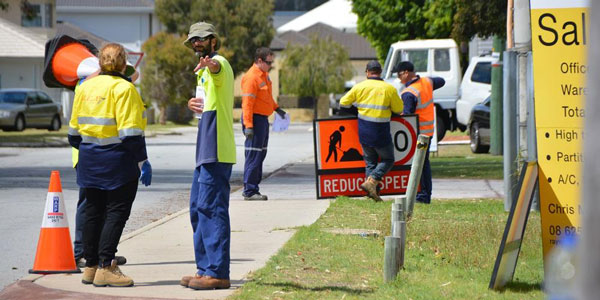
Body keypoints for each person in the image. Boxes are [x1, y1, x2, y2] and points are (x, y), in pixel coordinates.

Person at [68, 43, 151, 287]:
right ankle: (106, 266)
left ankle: (91, 266)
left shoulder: (84, 87)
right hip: (118, 162)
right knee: (116, 212)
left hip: (89, 160)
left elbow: (73, 134)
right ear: (125, 63)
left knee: (93, 212)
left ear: (100, 62)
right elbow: (131, 134)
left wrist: (91, 149)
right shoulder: (125, 89)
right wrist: (143, 162)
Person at [180, 21, 236, 290]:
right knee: (197, 209)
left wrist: (211, 65)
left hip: (217, 150)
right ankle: (204, 269)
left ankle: (218, 272)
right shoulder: (200, 73)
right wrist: (193, 105)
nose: (196, 43)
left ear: (214, 40)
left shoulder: (219, 63)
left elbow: (217, 69)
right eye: (193, 40)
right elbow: (207, 105)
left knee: (212, 209)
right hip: (205, 151)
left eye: (201, 39)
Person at [339, 60, 403, 202]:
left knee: (370, 163)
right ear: (380, 72)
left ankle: (371, 194)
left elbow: (343, 102)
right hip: (380, 132)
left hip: (364, 131)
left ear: (367, 72)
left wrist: (357, 112)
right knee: (388, 159)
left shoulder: (359, 87)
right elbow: (399, 110)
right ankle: (372, 181)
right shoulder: (389, 89)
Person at [393, 61, 445, 204]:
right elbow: (441, 81)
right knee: (424, 164)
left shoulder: (409, 93)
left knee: (419, 165)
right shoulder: (427, 82)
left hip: (418, 134)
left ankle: (423, 195)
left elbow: (407, 117)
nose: (399, 79)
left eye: (399, 75)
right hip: (428, 133)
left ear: (405, 73)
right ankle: (425, 194)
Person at [240, 47, 286, 201]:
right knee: (253, 155)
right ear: (259, 61)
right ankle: (249, 191)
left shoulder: (264, 76)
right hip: (254, 120)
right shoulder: (252, 77)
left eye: (272, 63)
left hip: (263, 120)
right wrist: (248, 126)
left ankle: (254, 188)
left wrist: (277, 109)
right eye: (268, 62)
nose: (270, 66)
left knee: (261, 154)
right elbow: (247, 103)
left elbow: (266, 98)